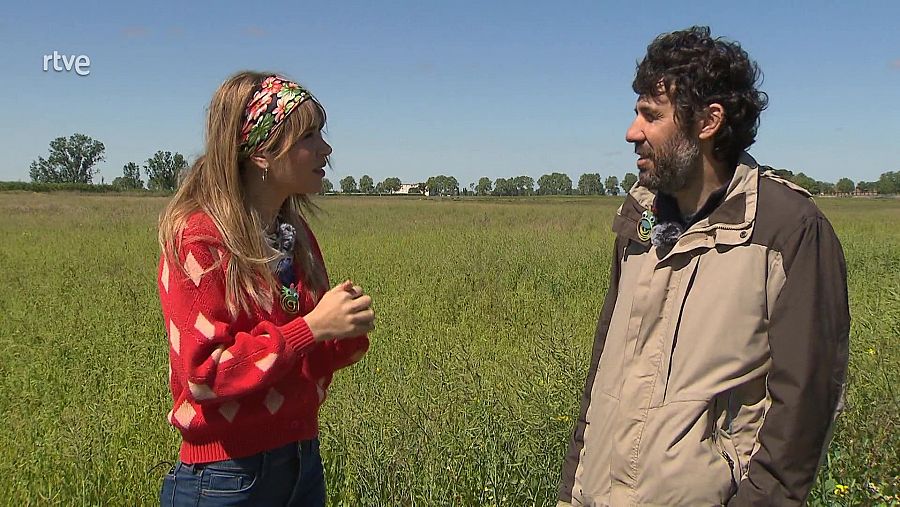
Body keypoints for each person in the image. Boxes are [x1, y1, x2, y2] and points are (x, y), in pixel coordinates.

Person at [558, 26, 849, 506]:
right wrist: (572, 488)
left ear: (708, 122)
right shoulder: (640, 221)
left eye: (651, 116)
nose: (632, 132)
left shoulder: (787, 230)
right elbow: (601, 380)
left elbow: (805, 408)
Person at [156, 71, 374, 506]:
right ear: (261, 153)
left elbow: (302, 362)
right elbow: (205, 376)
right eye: (308, 136)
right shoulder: (199, 238)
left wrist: (343, 332)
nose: (326, 150)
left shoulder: (293, 234)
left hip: (301, 462)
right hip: (226, 477)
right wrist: (311, 328)